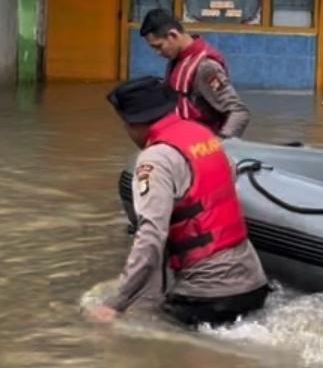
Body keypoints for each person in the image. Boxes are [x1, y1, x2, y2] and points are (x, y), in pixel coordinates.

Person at [90, 77, 270, 327]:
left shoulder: (155, 160)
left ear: (133, 123)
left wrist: (115, 303)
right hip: (255, 285)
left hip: (208, 298)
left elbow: (151, 237)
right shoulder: (202, 136)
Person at [140, 8, 249, 139]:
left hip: (200, 146)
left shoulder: (206, 67)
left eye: (159, 46)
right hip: (181, 141)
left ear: (173, 35)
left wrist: (219, 144)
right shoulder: (177, 60)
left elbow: (239, 112)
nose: (157, 53)